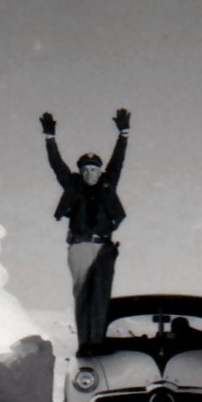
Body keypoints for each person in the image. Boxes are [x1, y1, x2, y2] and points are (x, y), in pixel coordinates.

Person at [42, 105, 131, 346]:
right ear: (80, 172)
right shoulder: (73, 185)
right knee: (82, 297)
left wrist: (123, 134)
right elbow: (57, 165)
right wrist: (50, 138)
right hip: (79, 247)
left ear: (100, 171)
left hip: (103, 248)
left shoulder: (107, 184)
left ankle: (97, 344)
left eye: (94, 169)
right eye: (85, 170)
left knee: (101, 298)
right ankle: (85, 345)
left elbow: (118, 161)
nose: (89, 173)